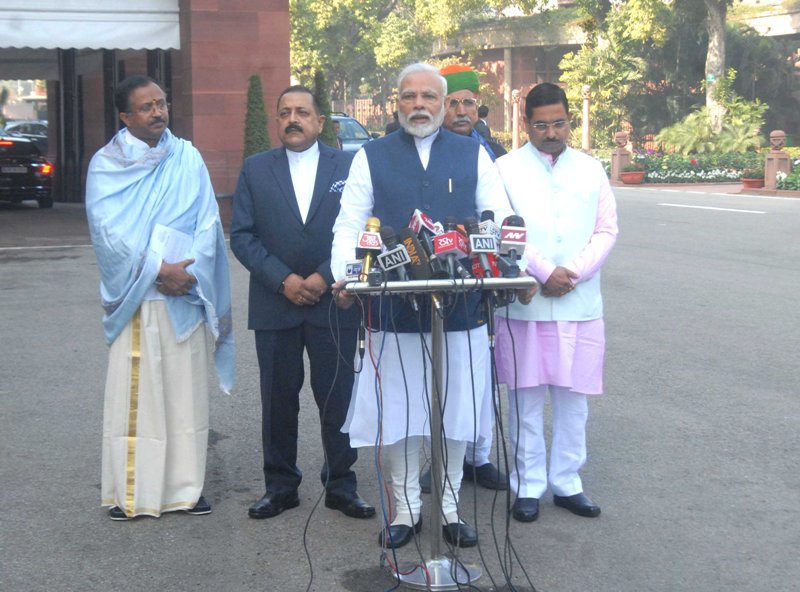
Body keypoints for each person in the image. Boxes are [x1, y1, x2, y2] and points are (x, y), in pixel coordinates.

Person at [330, 63, 534, 549]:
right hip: (392, 307)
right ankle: (405, 510)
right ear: (395, 103)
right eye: (408, 96)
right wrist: (346, 274)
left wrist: (510, 260)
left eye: (428, 97)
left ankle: (447, 509)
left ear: (444, 105)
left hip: (460, 307)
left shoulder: (473, 153)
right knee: (398, 414)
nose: (418, 105)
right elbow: (349, 222)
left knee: (456, 410)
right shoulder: (371, 156)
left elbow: (500, 213)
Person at [86, 75, 234, 521]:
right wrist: (157, 271)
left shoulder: (187, 157)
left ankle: (185, 491)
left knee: (184, 398)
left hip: (184, 296)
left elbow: (208, 221)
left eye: (162, 104)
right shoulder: (106, 164)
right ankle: (133, 493)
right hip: (139, 299)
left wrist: (187, 272)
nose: (158, 113)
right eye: (147, 107)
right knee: (140, 398)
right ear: (126, 116)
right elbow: (107, 233)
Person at [230, 85, 375, 522]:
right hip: (276, 302)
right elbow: (242, 235)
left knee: (337, 397)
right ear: (278, 121)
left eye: (302, 112)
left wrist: (324, 275)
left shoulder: (349, 166)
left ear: (320, 121)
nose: (292, 119)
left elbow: (365, 228)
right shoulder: (256, 169)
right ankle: (280, 486)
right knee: (278, 399)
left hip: (334, 299)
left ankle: (341, 485)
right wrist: (284, 280)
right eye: (284, 112)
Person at [494, 82, 618, 523]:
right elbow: (503, 229)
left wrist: (575, 271)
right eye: (542, 124)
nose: (551, 132)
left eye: (559, 123)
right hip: (526, 302)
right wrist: (545, 271)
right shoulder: (504, 169)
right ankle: (527, 486)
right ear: (526, 123)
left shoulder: (591, 168)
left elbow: (607, 229)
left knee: (573, 399)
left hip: (580, 303)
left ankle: (568, 482)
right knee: (525, 400)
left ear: (570, 121)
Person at [415, 65, 508, 496]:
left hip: (481, 281)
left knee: (478, 376)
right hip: (433, 276)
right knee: (431, 376)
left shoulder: (493, 151)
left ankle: (478, 456)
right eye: (451, 102)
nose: (460, 109)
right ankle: (433, 462)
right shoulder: (424, 150)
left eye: (468, 102)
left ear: (478, 107)